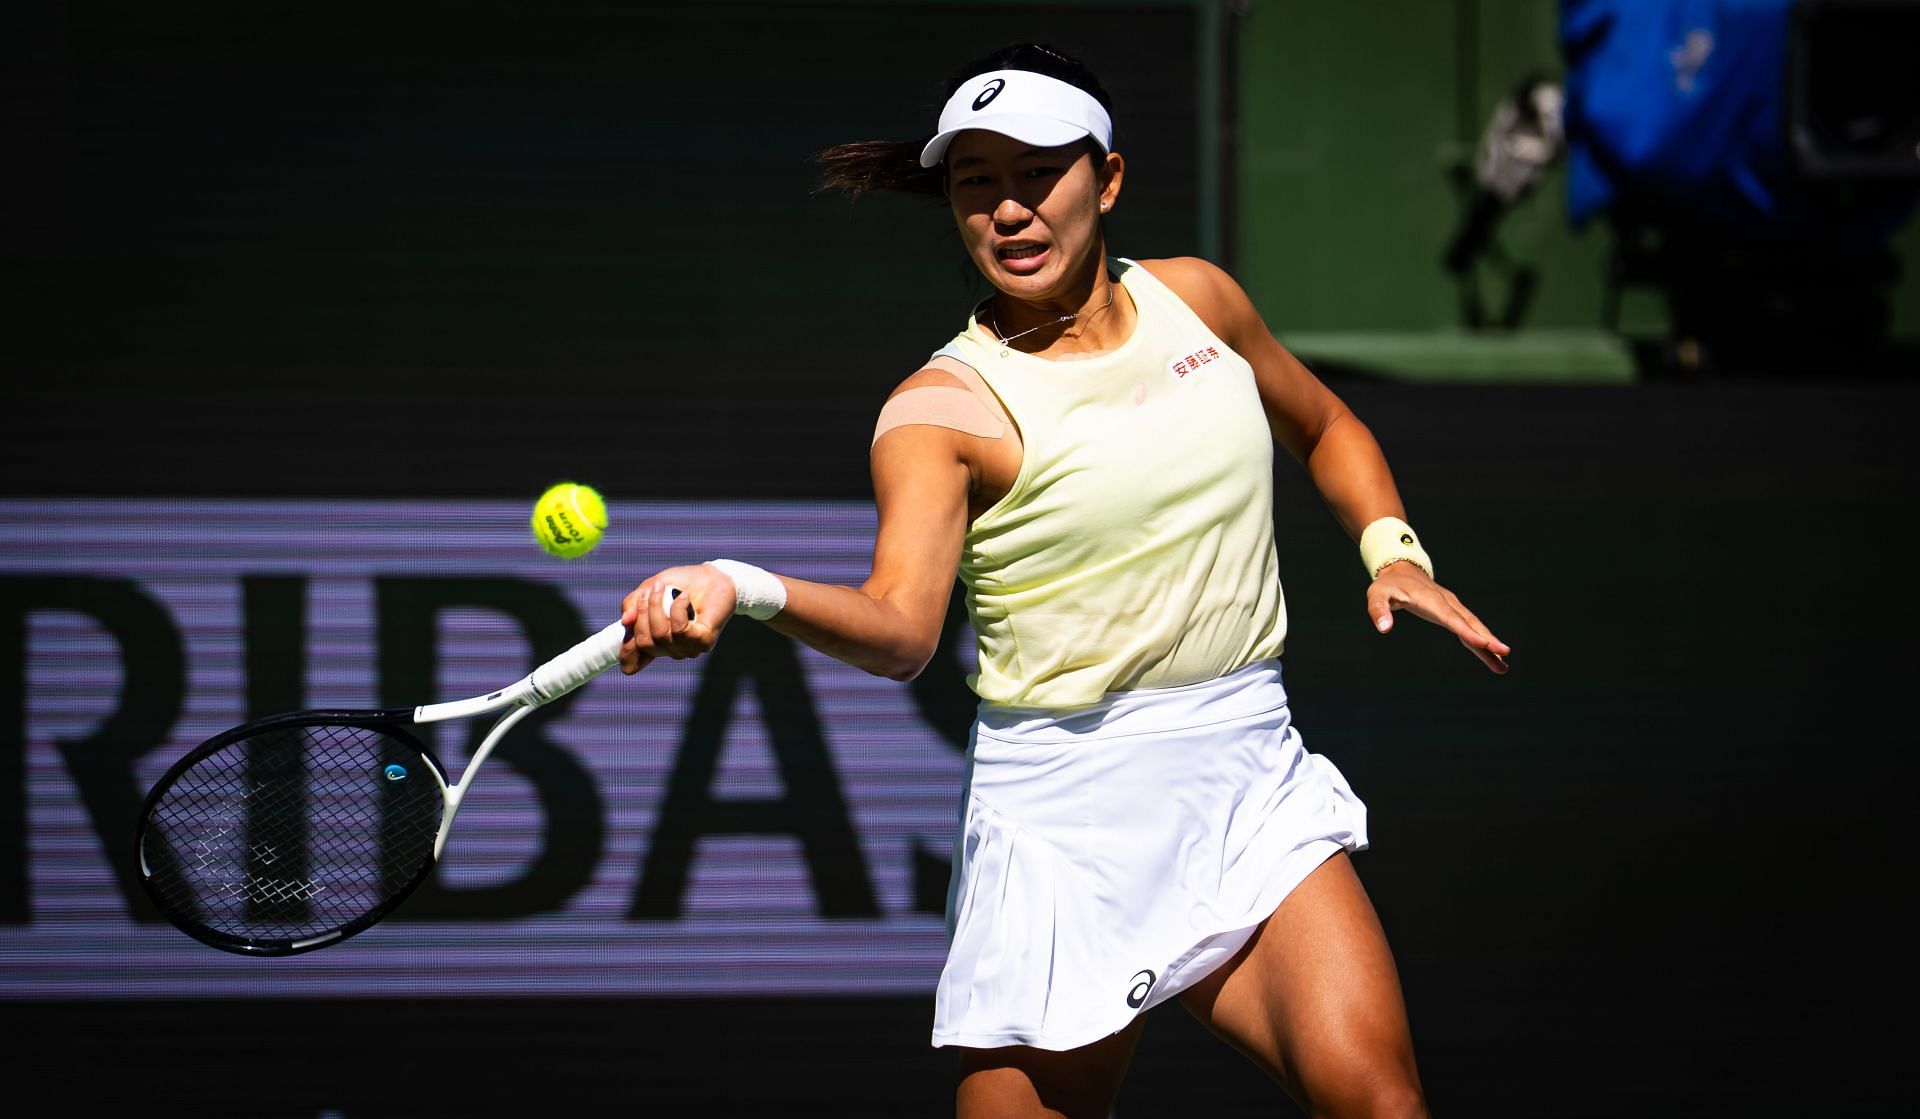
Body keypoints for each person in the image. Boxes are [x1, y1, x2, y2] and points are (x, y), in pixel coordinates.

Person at [618, 42, 1509, 1119]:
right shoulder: (940, 410)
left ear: (1110, 178)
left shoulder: (1201, 304)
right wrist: (740, 581)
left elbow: (1325, 426)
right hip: (1063, 824)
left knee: (1381, 1104)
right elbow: (901, 629)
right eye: (974, 183)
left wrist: (1392, 553)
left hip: (1246, 776)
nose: (1008, 210)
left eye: (1036, 173)